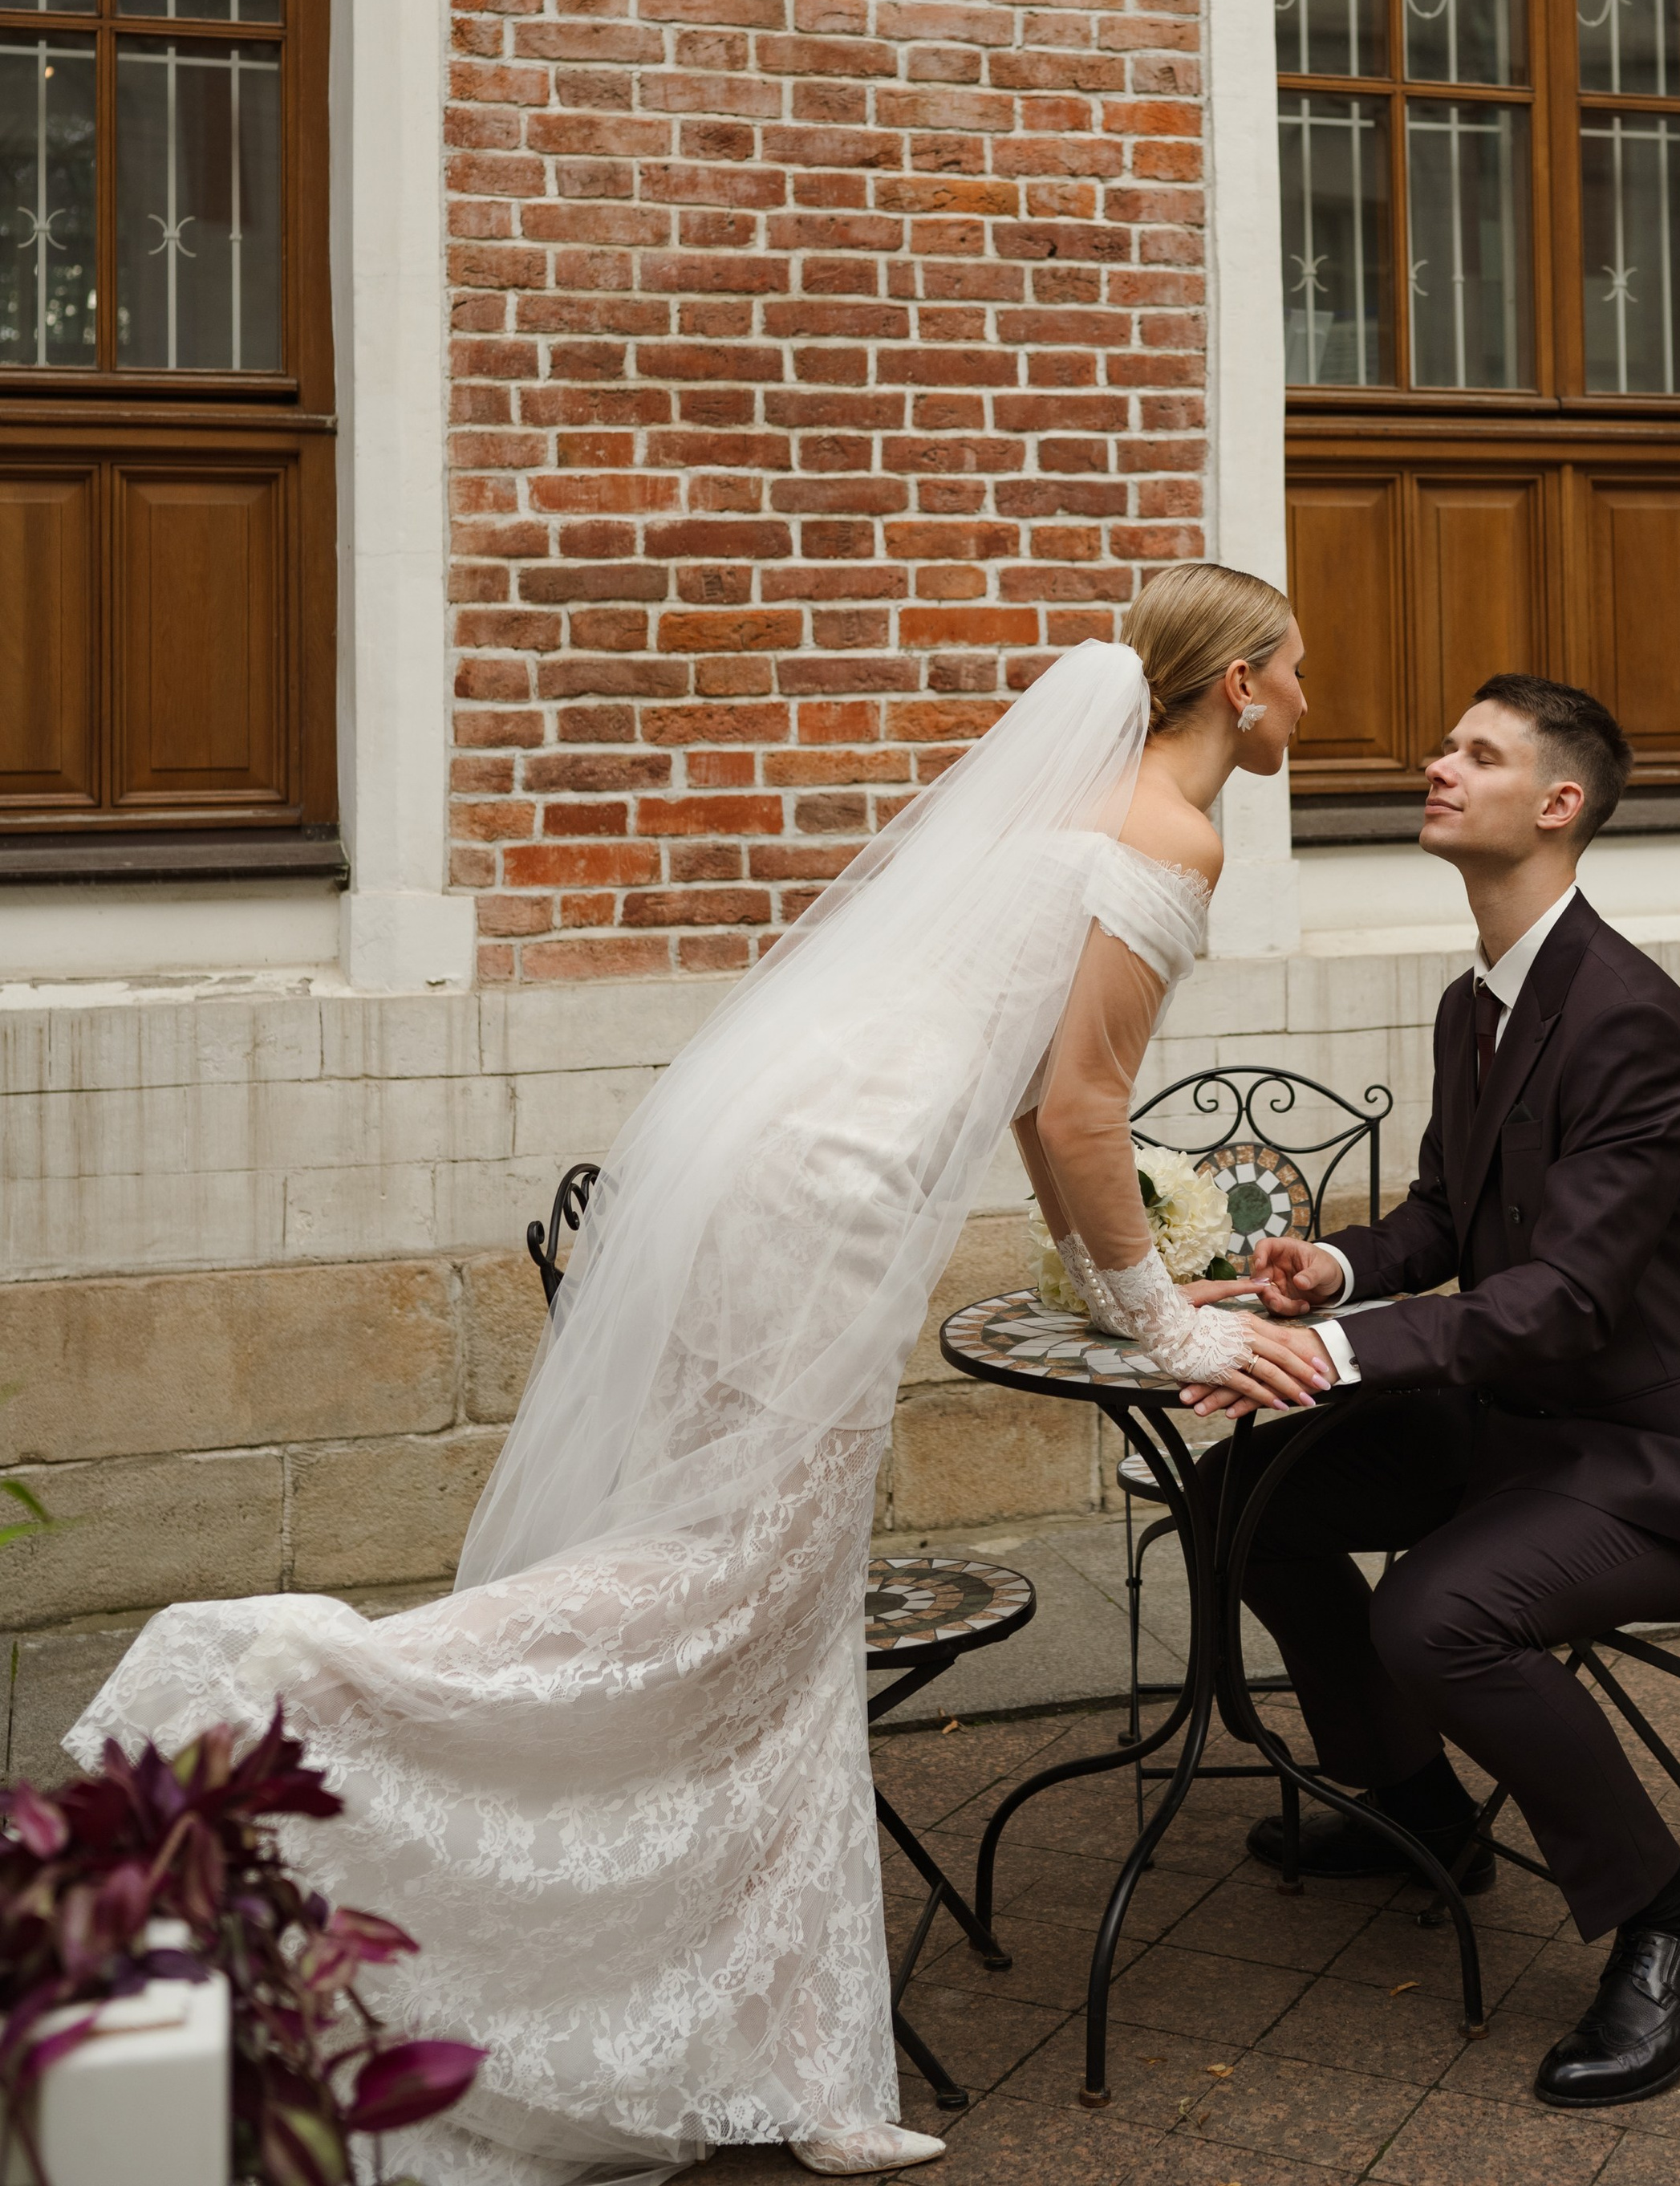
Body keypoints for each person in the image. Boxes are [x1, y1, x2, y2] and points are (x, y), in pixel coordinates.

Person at [67, 564, 1328, 2186]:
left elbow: (1036, 1104)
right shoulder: (1175, 830)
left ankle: (790, 2059)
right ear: (1234, 682)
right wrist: (1167, 1329)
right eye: (1295, 670)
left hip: (780, 1167)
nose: (1308, 698)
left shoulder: (1078, 808)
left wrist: (1118, 1274)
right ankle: (263, 1689)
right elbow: (1082, 1108)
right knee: (732, 1580)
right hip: (832, 1203)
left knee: (777, 1609)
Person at [1189, 675, 1680, 2111]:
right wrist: (1329, 1275)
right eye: (1444, 744)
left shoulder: (1630, 1023)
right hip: (1526, 1427)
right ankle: (1420, 1811)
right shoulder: (1477, 999)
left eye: (1478, 752)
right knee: (1246, 1500)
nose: (1435, 764)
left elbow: (1567, 1298)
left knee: (1436, 1612)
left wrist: (1334, 1362)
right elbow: (1445, 1221)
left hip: (1668, 1457)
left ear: (1558, 804)